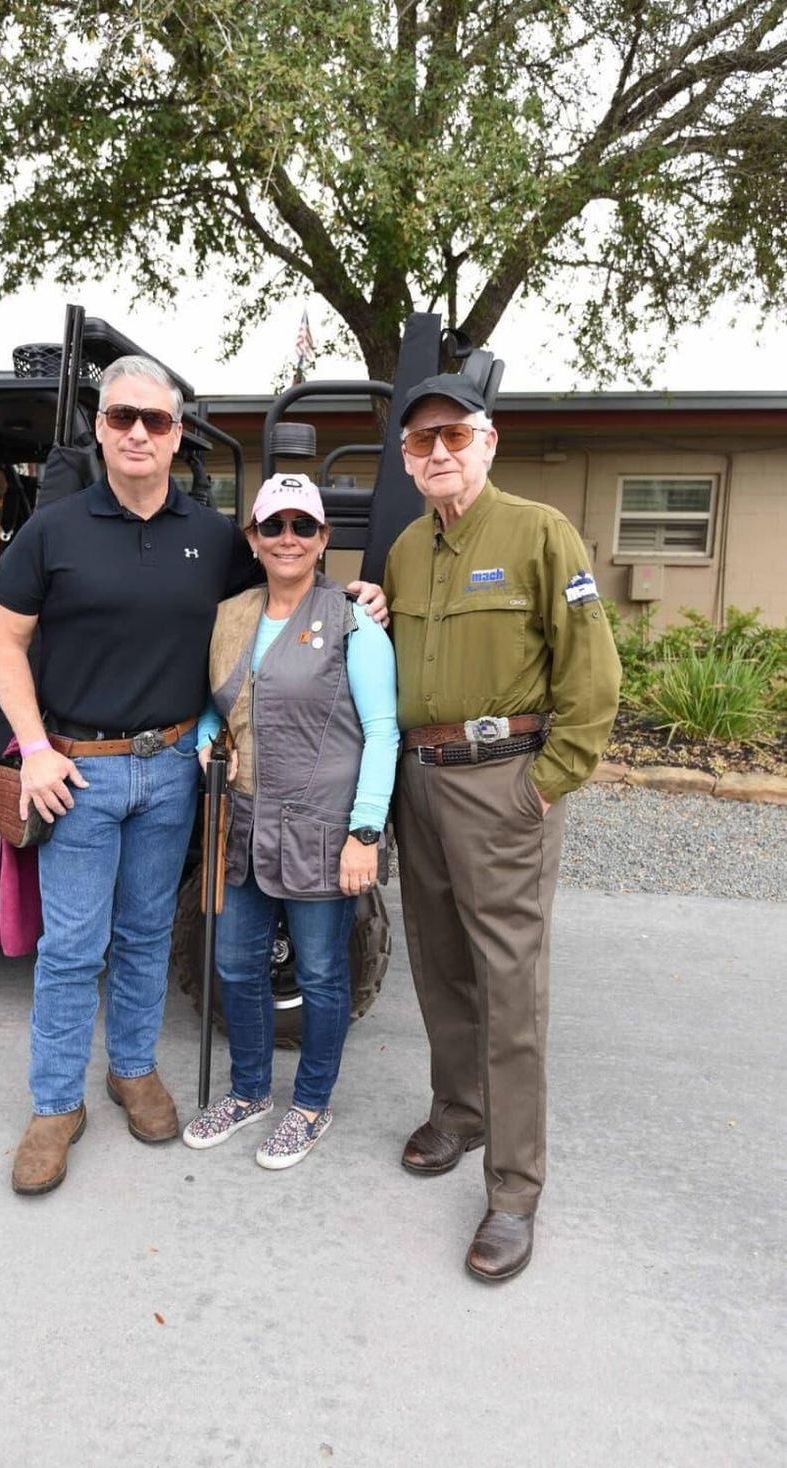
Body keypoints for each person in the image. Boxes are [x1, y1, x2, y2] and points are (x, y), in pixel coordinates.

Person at [0, 358, 387, 1195]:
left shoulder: (211, 538)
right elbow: (4, 644)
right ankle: (56, 1106)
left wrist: (362, 599)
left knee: (142, 939)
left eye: (156, 421)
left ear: (177, 436)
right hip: (79, 772)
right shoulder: (49, 532)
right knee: (71, 951)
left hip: (173, 770)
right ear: (99, 428)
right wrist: (36, 749)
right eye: (123, 417)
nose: (138, 433)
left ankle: (131, 1072)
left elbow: (286, 595)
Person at [385, 372, 621, 1280]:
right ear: (407, 461)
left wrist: (547, 784)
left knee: (510, 990)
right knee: (440, 964)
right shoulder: (407, 549)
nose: (438, 452)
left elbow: (591, 675)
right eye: (421, 442)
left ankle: (515, 1191)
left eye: (454, 435)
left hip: (503, 786)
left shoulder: (538, 533)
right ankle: (457, 1111)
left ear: (488, 441)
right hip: (421, 782)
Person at [182, 473, 399, 1169]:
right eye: (273, 526)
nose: (288, 539)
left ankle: (310, 1106)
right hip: (244, 823)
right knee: (236, 966)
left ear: (323, 539)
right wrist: (205, 738)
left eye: (303, 526)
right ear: (253, 537)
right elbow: (222, 704)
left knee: (324, 974)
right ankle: (250, 1093)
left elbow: (383, 731)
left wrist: (366, 832)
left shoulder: (353, 620)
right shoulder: (232, 614)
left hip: (322, 830)